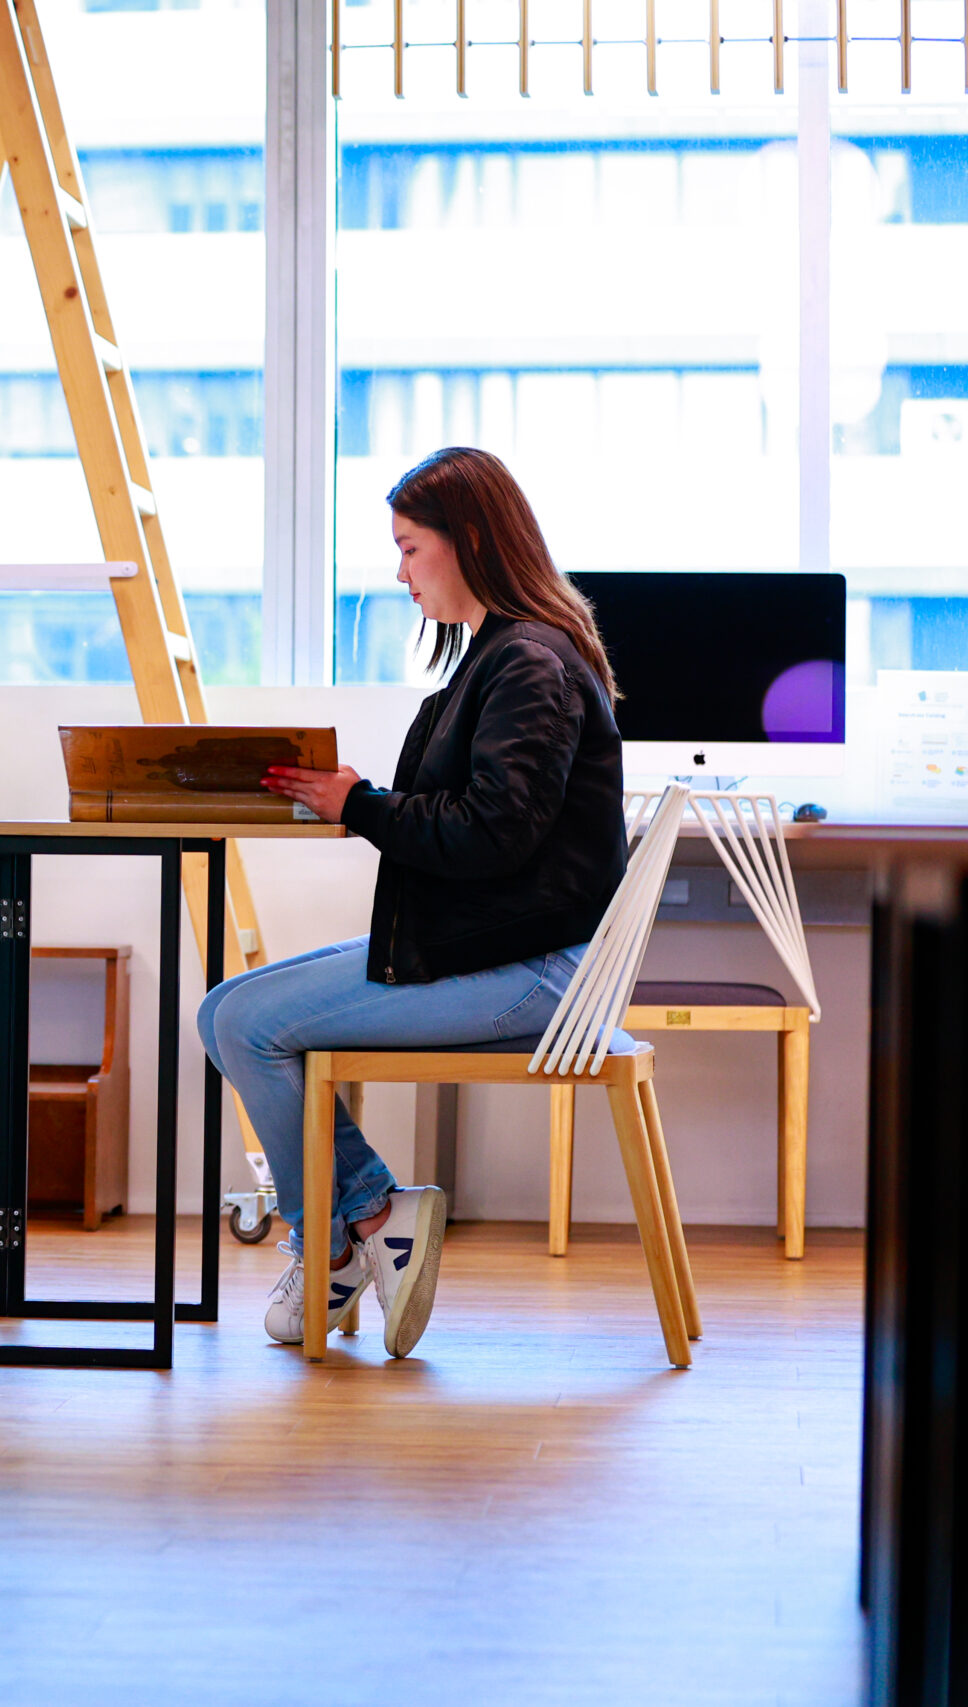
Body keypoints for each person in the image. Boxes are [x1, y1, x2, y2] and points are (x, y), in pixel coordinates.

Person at [196, 446, 627, 1359]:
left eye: (409, 549)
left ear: (469, 539)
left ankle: (348, 1234)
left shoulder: (529, 665)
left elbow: (489, 831)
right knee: (227, 1011)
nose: (399, 574)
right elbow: (478, 823)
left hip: (538, 973)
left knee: (246, 1027)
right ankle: (369, 1220)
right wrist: (353, 802)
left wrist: (357, 804)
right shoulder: (502, 659)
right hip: (495, 951)